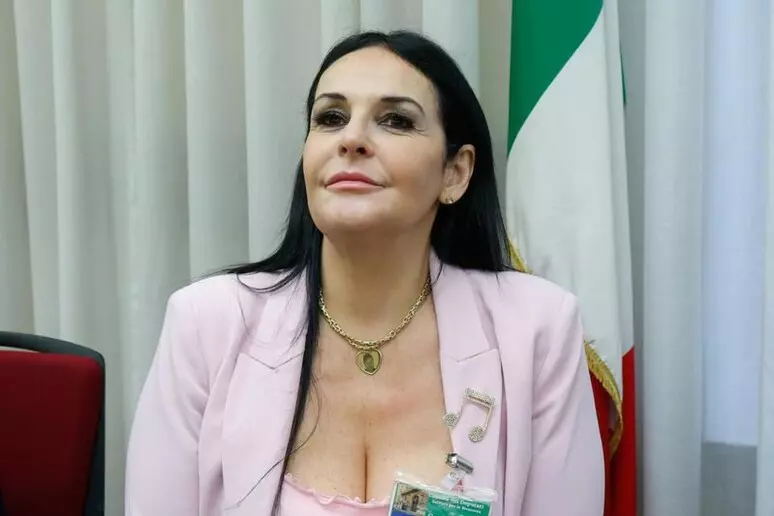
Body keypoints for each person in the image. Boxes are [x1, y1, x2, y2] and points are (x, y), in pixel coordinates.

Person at [125, 30, 604, 516]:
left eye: (396, 120)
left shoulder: (537, 330)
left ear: (455, 172)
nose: (351, 139)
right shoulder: (206, 324)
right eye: (330, 118)